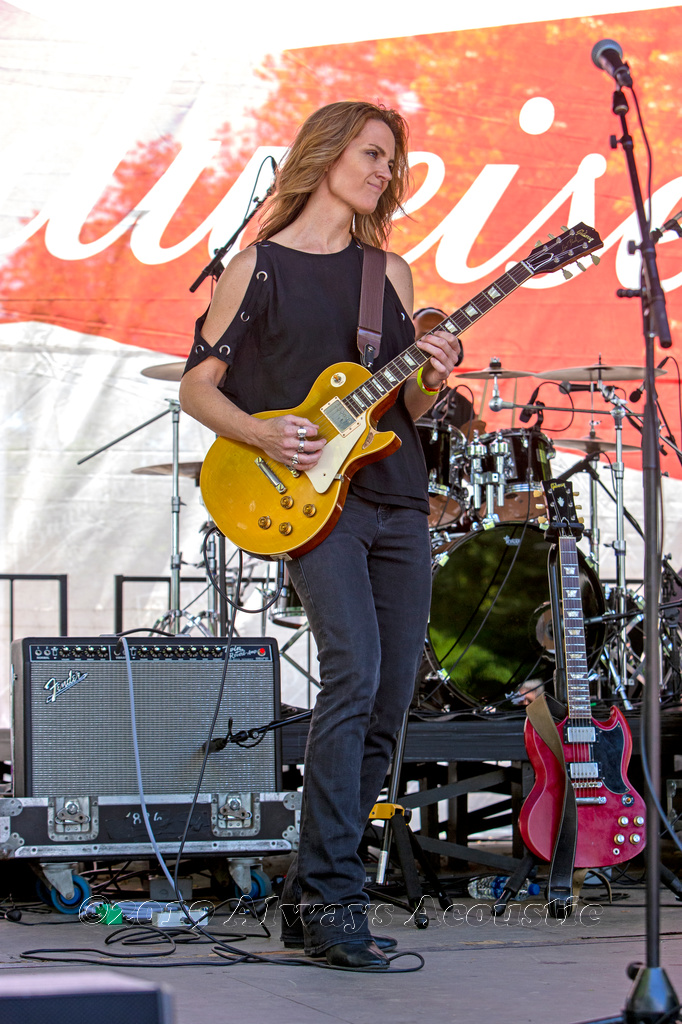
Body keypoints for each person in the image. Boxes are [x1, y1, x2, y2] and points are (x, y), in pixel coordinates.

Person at [179, 101, 462, 970]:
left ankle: (312, 893)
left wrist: (435, 375)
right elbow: (197, 388)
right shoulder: (256, 268)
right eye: (372, 153)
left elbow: (409, 408)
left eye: (391, 160)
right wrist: (261, 432)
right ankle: (338, 897)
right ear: (327, 154)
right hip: (312, 505)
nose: (385, 171)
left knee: (390, 695)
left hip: (397, 497)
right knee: (355, 674)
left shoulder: (389, 274)